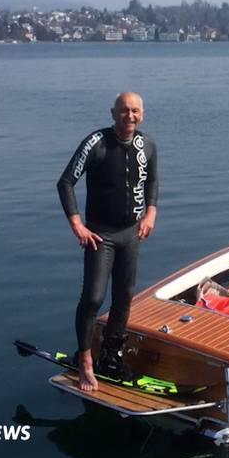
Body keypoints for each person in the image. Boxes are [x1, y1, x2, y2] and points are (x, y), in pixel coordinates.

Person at [57, 91, 158, 391]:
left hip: (131, 233)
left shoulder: (147, 145)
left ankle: (111, 356)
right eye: (124, 110)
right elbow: (65, 183)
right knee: (93, 298)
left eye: (135, 111)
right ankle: (86, 359)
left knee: (124, 296)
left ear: (142, 113)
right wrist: (77, 224)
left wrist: (150, 213)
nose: (130, 116)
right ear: (113, 113)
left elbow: (152, 180)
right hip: (100, 235)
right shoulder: (96, 143)